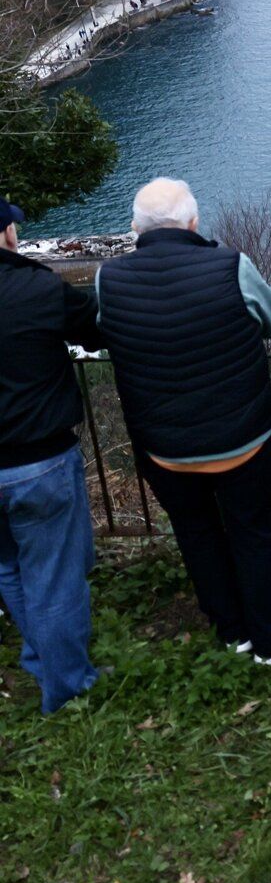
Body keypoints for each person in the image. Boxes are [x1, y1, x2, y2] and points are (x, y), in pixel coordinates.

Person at [95, 178, 271, 665]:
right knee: (252, 530)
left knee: (197, 533)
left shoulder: (109, 278)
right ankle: (269, 636)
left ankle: (232, 631)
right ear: (192, 223)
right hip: (243, 438)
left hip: (165, 447)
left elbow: (108, 337)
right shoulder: (230, 265)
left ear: (134, 229)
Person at [0, 196, 102, 712]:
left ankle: (44, 659)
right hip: (36, 458)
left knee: (9, 569)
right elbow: (94, 327)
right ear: (6, 235)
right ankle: (67, 689)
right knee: (54, 576)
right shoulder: (35, 288)